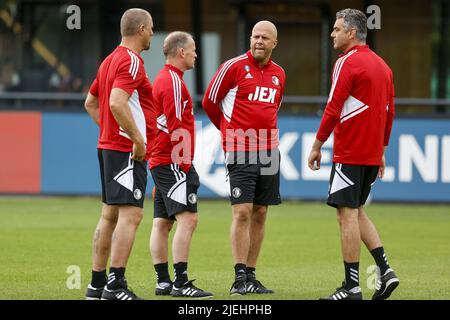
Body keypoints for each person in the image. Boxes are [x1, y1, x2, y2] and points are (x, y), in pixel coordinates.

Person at [307, 8, 399, 300]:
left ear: (352, 32)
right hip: (371, 154)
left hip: (349, 152)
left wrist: (317, 144)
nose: (332, 34)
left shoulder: (346, 62)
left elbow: (334, 106)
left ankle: (352, 287)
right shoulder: (384, 66)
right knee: (357, 211)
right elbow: (390, 113)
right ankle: (385, 272)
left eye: (336, 29)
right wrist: (382, 151)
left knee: (346, 215)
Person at [202, 20, 285, 295]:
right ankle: (239, 278)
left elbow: (273, 108)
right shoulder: (234, 67)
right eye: (255, 36)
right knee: (242, 212)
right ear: (250, 39)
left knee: (261, 213)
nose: (259, 41)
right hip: (240, 147)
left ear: (274, 43)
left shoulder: (279, 74)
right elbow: (210, 102)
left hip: (269, 149)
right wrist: (229, 131)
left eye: (265, 38)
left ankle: (251, 275)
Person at [83, 8, 155, 300]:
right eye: (151, 28)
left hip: (109, 147)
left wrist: (111, 132)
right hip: (126, 151)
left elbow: (90, 102)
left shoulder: (109, 60)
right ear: (140, 30)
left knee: (109, 215)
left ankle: (96, 286)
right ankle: (116, 285)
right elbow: (115, 102)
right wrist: (137, 139)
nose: (152, 33)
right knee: (132, 216)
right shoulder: (133, 61)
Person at [149, 31, 213, 298]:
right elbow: (176, 128)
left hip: (162, 160)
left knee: (162, 223)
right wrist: (184, 168)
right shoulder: (173, 82)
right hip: (173, 161)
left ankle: (163, 282)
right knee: (188, 219)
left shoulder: (164, 79)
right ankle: (181, 283)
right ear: (181, 52)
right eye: (194, 49)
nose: (196, 54)